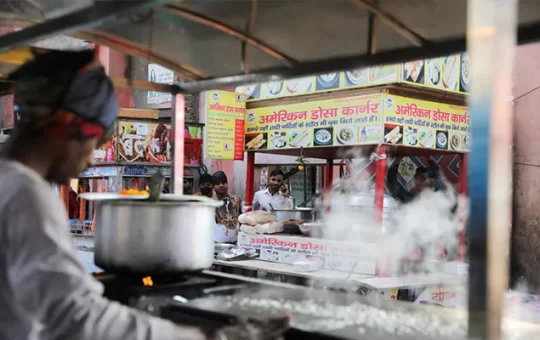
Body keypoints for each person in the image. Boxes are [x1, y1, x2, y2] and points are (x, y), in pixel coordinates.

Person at [0, 49, 211, 340]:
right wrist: (200, 337)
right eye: (94, 143)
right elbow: (77, 318)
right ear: (70, 126)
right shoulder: (26, 194)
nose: (89, 162)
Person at [212, 171, 242, 243]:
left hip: (236, 244)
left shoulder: (236, 201)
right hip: (217, 245)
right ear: (213, 186)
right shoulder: (210, 204)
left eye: (223, 182)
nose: (221, 185)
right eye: (217, 183)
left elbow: (241, 220)